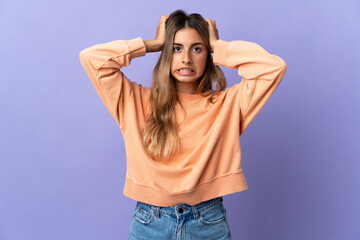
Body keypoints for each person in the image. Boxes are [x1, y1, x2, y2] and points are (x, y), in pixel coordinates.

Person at [79, 9, 286, 240]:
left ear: (207, 55)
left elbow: (273, 68)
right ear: (166, 53)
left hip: (208, 221)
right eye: (176, 48)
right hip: (149, 223)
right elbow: (91, 58)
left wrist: (218, 45)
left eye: (197, 48)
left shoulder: (227, 104)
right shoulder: (134, 101)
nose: (186, 58)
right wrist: (152, 44)